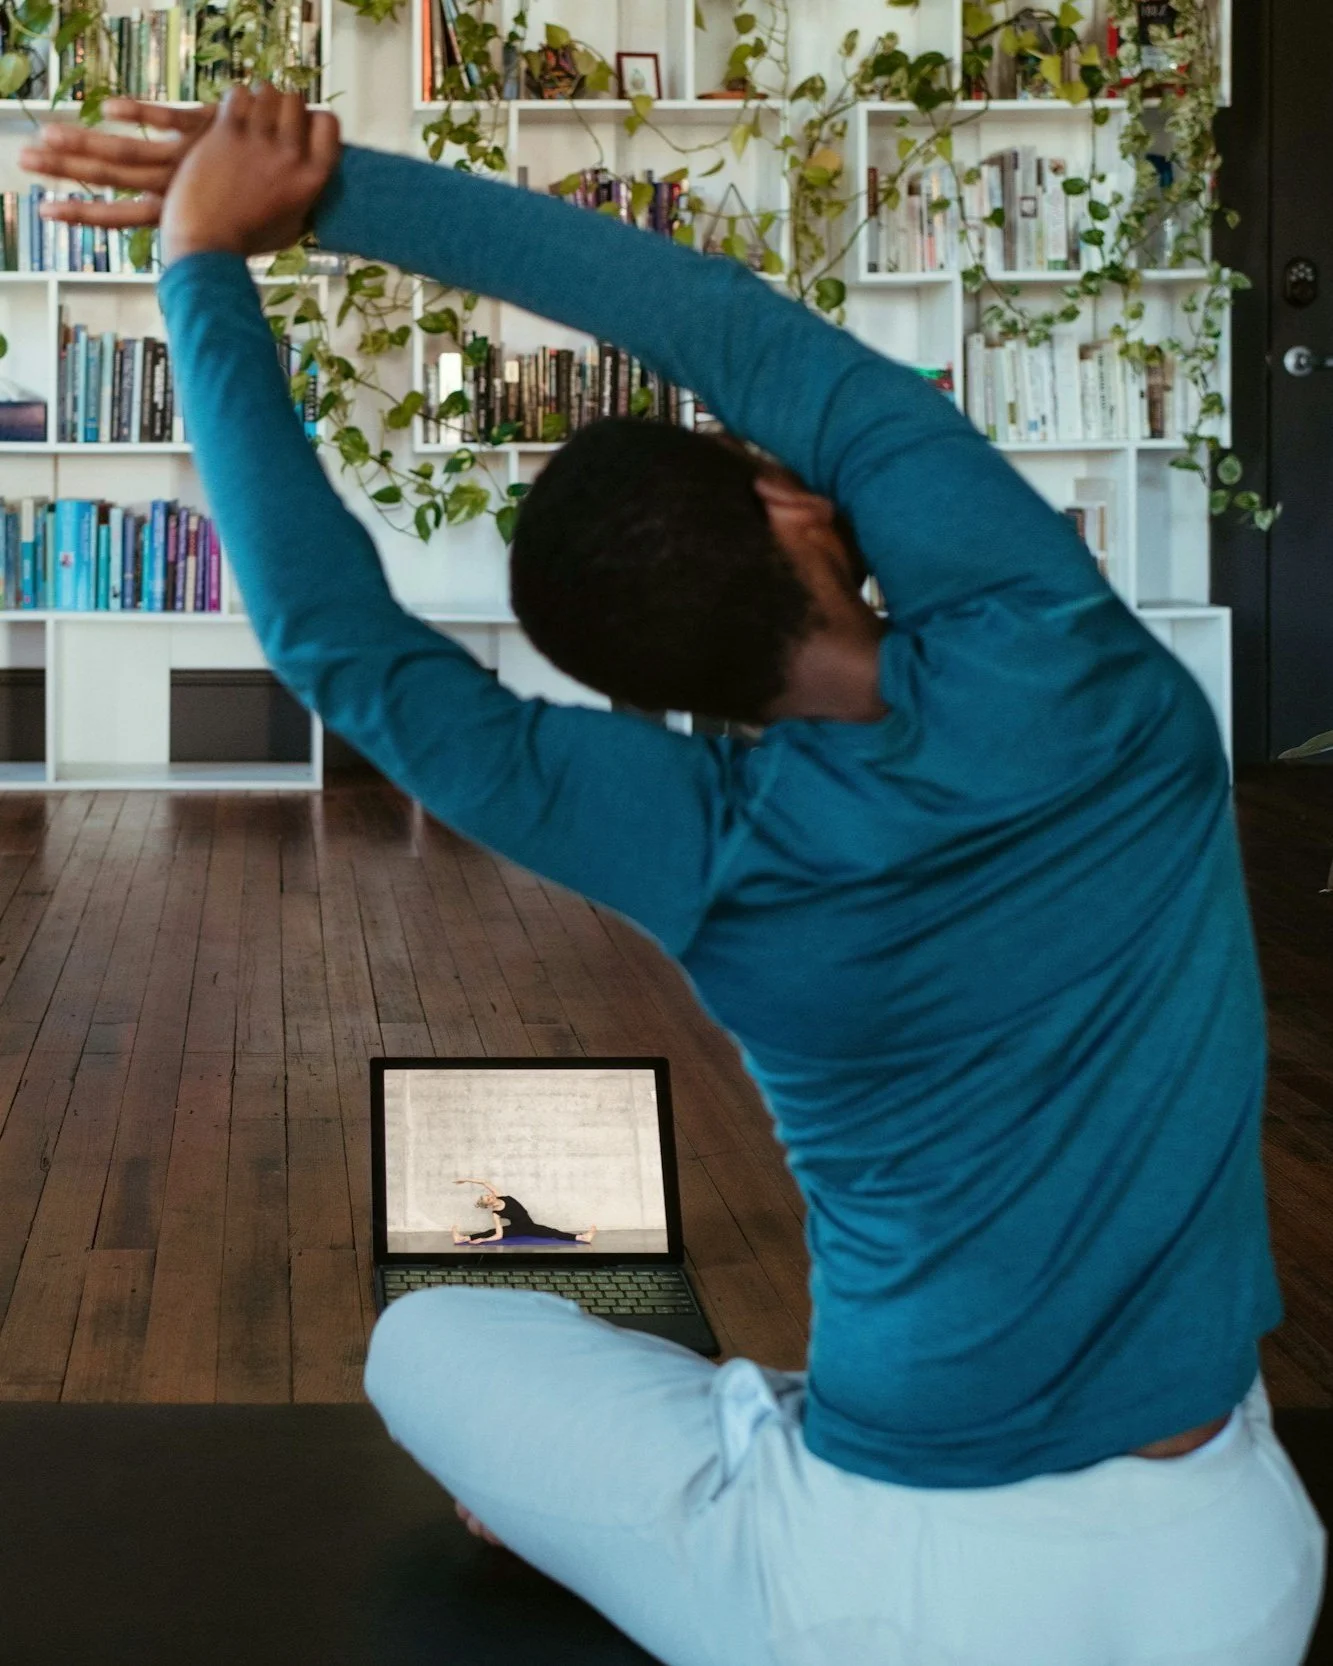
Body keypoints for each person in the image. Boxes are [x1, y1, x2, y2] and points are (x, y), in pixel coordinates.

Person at [23, 88, 1325, 1666]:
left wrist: (195, 272)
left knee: (431, 1340)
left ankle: (681, 1462)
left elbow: (336, 649)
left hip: (890, 1594)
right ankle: (724, 1434)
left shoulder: (716, 844)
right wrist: (308, 197)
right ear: (787, 500)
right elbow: (726, 324)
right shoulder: (1074, 663)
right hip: (1237, 1572)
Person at [452, 1178, 597, 1244]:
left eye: (488, 1194)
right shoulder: (496, 1213)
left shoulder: (502, 1196)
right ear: (489, 1204)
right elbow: (498, 1235)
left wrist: (465, 1180)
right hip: (521, 1229)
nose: (490, 1195)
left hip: (527, 1225)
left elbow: (485, 1182)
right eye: (487, 1198)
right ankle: (463, 1238)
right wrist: (483, 1240)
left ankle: (583, 1238)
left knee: (552, 1232)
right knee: (489, 1232)